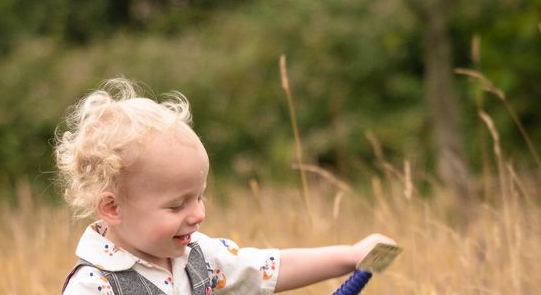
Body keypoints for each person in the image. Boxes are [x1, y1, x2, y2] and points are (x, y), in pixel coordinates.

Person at [55, 77, 395, 295]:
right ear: (112, 207)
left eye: (199, 197)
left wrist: (352, 257)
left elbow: (270, 269)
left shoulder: (199, 256)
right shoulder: (95, 286)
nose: (198, 214)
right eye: (177, 205)